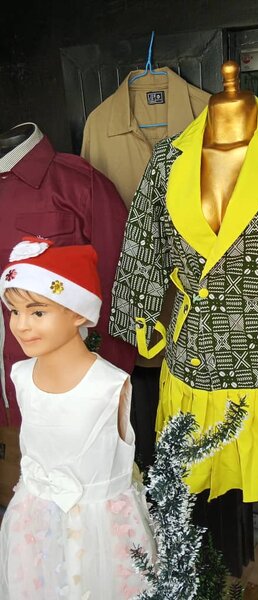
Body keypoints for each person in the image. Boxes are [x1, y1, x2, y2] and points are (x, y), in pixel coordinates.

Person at [0, 237, 155, 599]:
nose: (21, 325)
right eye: (14, 311)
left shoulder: (110, 385)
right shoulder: (21, 376)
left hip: (101, 535)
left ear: (78, 312)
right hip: (34, 528)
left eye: (38, 312)